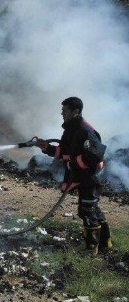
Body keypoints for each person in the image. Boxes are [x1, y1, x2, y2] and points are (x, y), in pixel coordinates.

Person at [37, 97, 111, 256]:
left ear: (75, 111)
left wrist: (73, 164)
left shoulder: (85, 131)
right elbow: (64, 151)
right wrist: (47, 148)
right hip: (84, 177)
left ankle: (91, 249)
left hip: (92, 178)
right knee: (92, 208)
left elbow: (93, 157)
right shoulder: (71, 129)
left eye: (64, 111)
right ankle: (106, 243)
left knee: (86, 210)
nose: (61, 114)